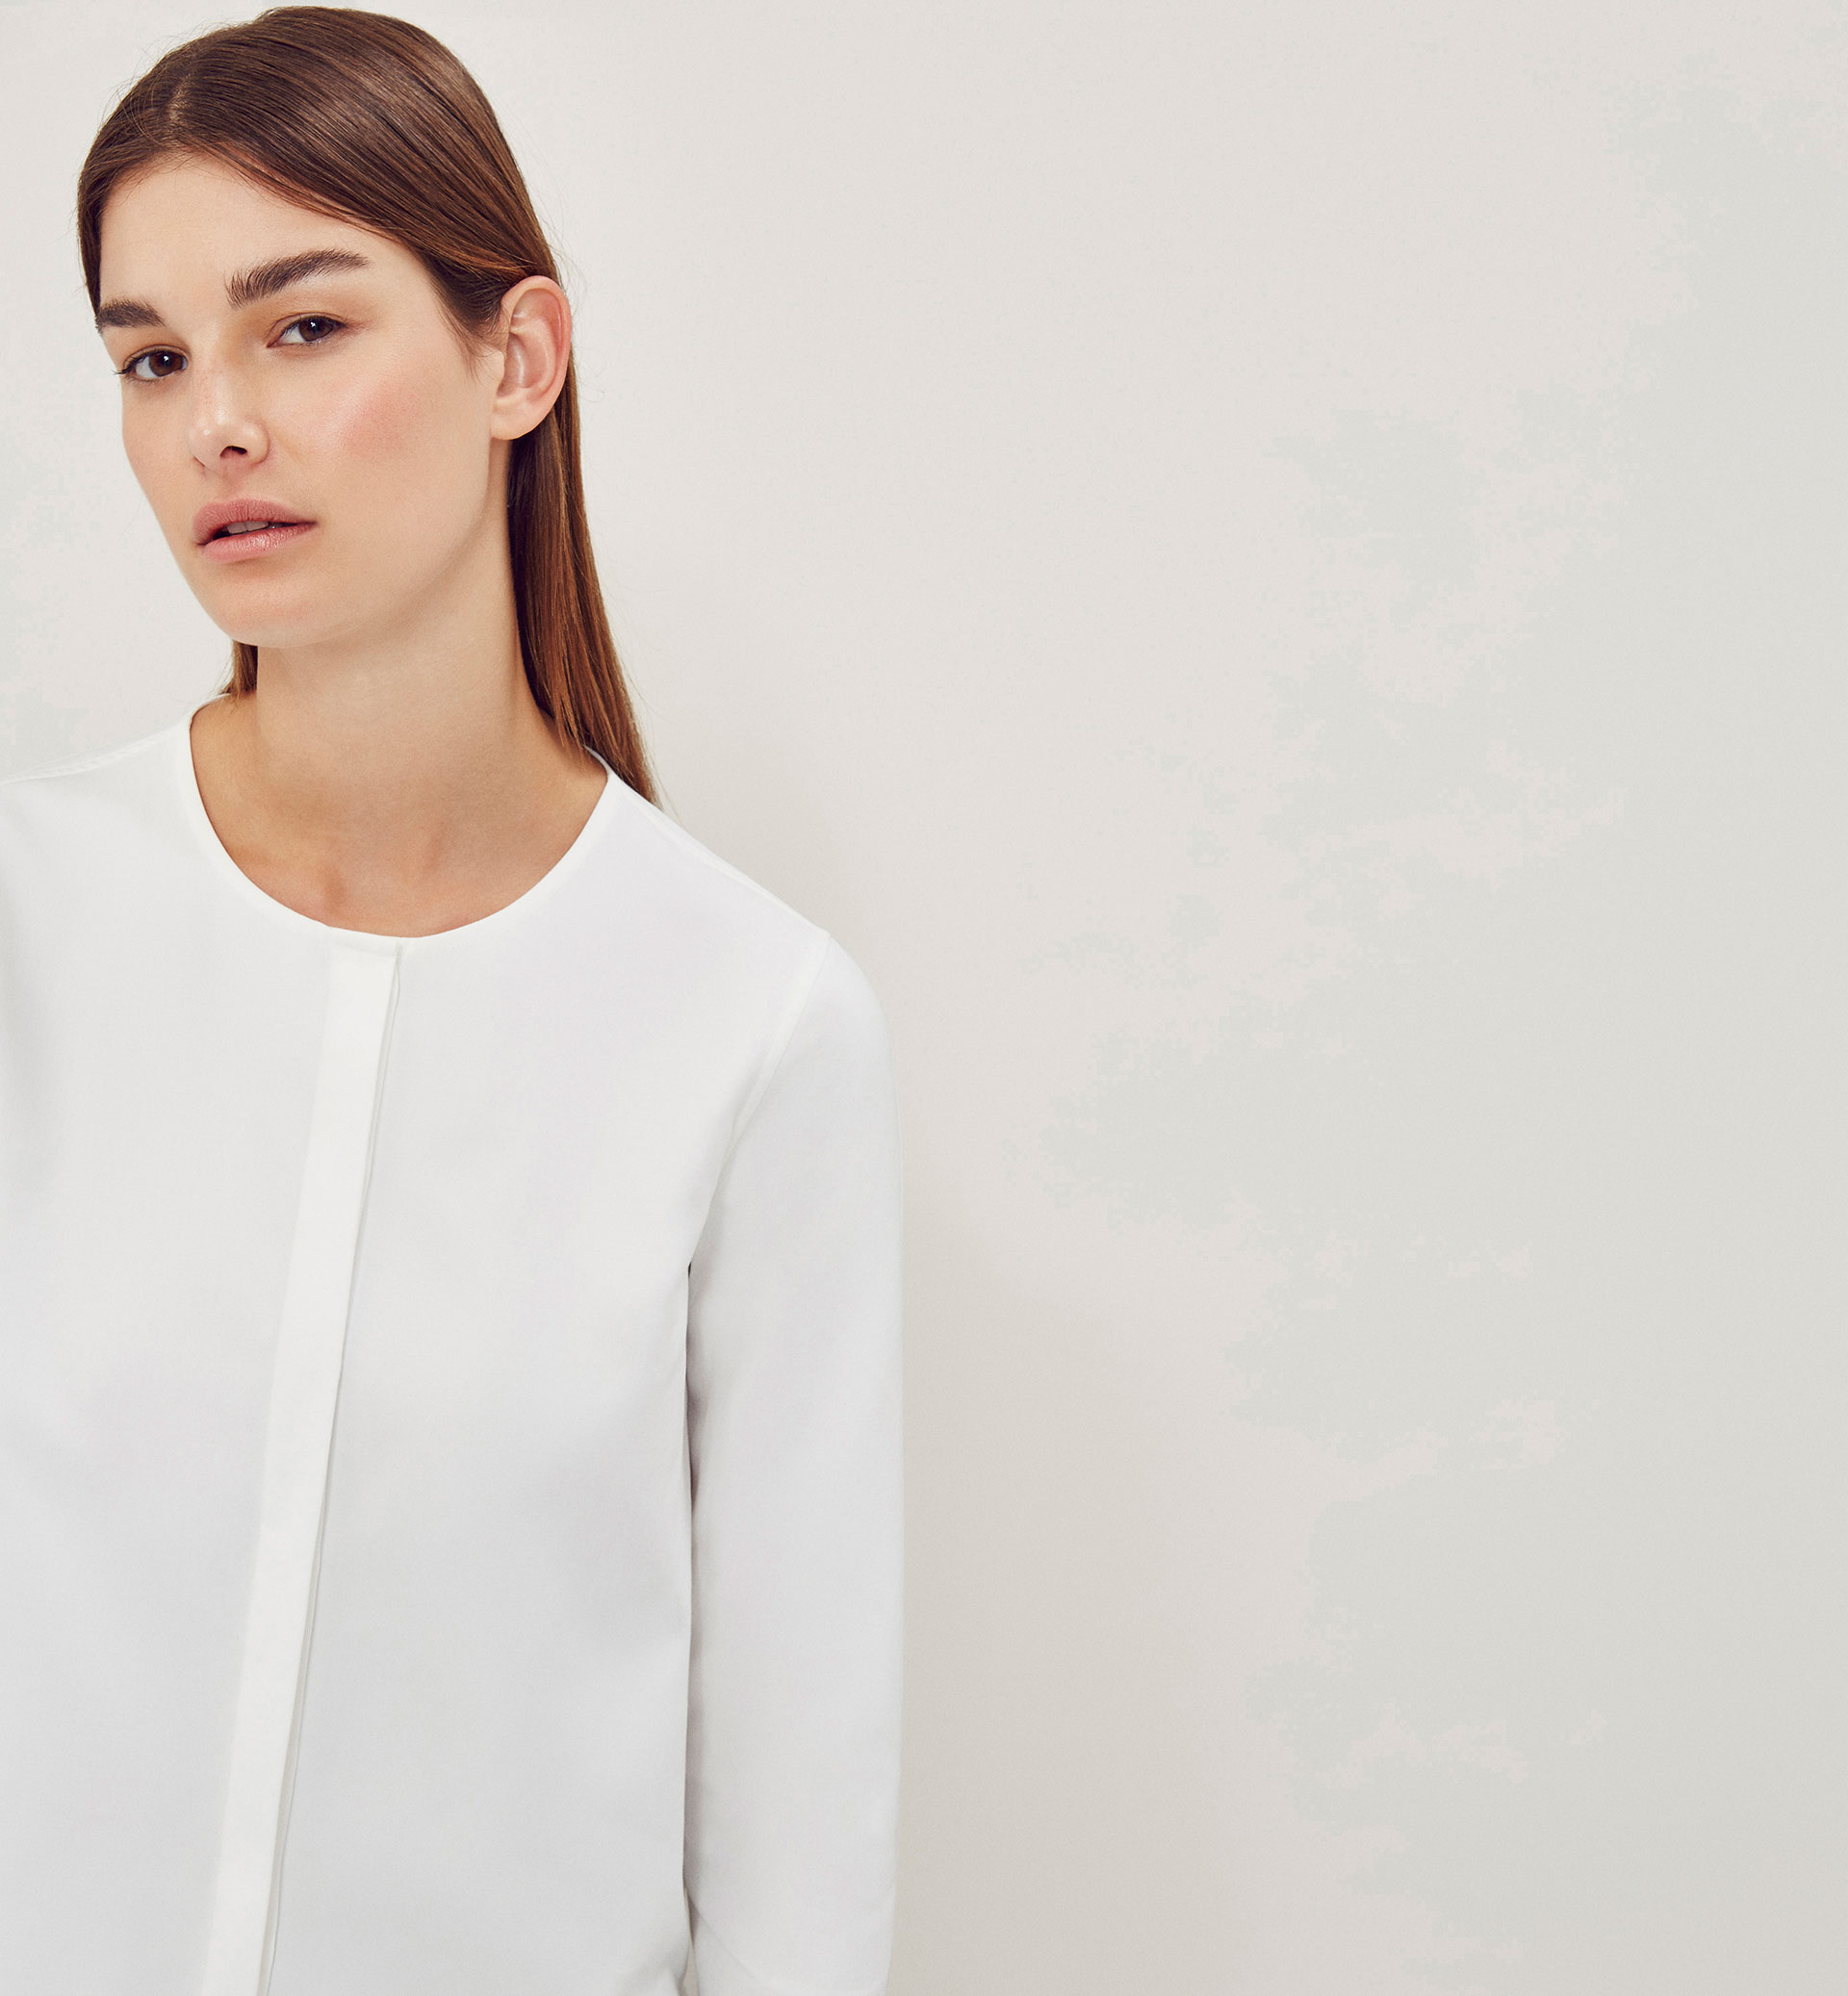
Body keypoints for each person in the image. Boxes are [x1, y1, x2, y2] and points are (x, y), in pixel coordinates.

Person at [0, 11, 903, 1995]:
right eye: (152, 359)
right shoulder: (27, 926)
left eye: (302, 326)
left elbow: (796, 1833)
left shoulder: (751, 1026)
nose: (216, 423)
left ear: (518, 358)